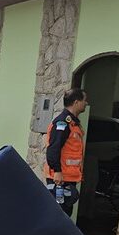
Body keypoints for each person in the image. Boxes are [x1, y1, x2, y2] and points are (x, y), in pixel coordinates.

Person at [46, 88, 88, 216]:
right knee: (59, 214)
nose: (86, 103)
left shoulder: (73, 123)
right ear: (76, 102)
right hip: (60, 178)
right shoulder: (62, 123)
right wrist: (57, 171)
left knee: (65, 213)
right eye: (84, 100)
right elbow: (53, 149)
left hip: (67, 177)